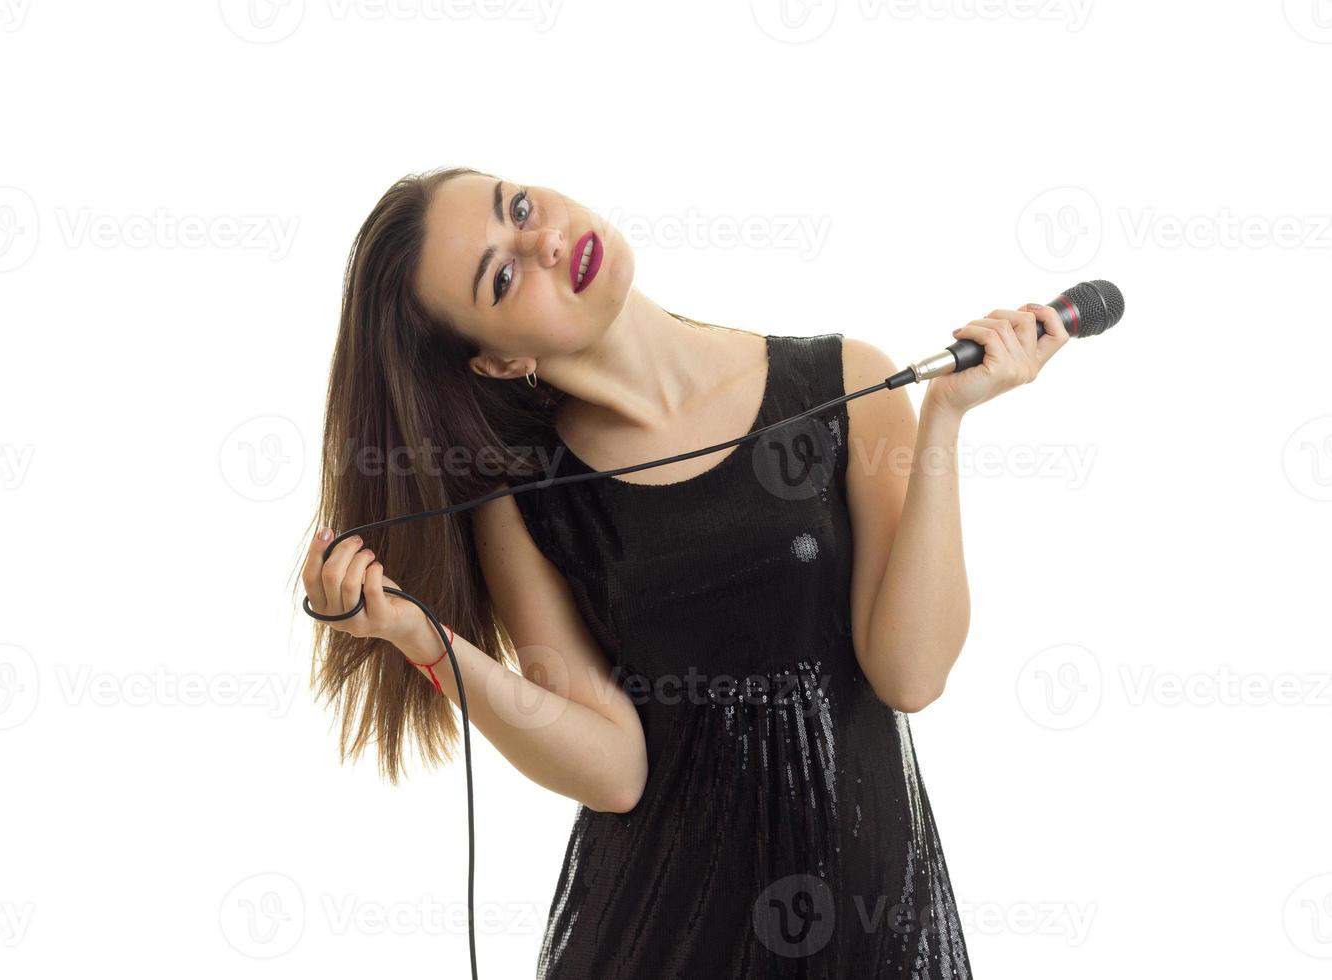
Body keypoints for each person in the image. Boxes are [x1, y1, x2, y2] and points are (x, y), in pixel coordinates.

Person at [299, 166, 1068, 977]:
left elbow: (910, 675)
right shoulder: (526, 500)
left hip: (869, 924)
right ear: (497, 361)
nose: (547, 240)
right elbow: (615, 771)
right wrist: (426, 641)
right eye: (503, 274)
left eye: (518, 208)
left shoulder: (848, 384)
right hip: (663, 935)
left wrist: (944, 419)